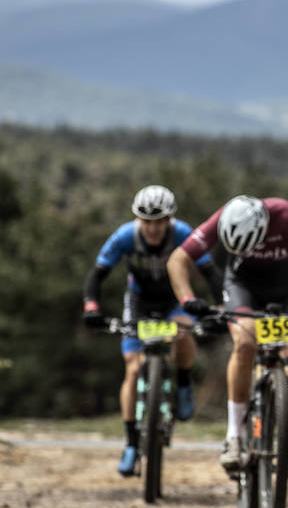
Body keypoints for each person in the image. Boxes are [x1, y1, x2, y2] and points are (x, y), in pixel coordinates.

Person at [167, 194, 288, 475]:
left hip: (285, 289)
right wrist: (187, 299)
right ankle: (234, 436)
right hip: (242, 288)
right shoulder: (224, 215)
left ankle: (286, 433)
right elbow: (178, 260)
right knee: (245, 343)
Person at [82, 185, 219, 477]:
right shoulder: (125, 236)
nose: (153, 228)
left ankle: (183, 382)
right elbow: (97, 274)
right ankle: (131, 443)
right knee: (133, 370)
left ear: (170, 219)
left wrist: (220, 306)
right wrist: (92, 307)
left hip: (174, 300)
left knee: (185, 331)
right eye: (146, 221)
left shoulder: (182, 233)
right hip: (139, 302)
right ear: (137, 219)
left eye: (159, 221)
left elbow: (210, 271)